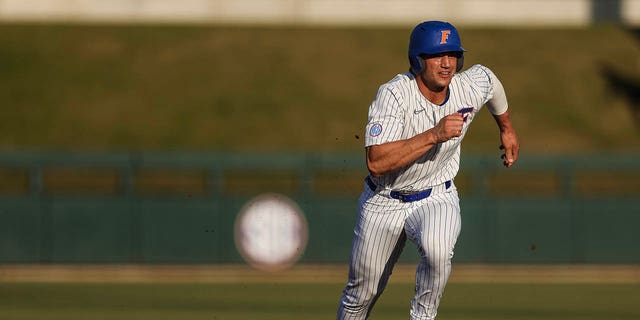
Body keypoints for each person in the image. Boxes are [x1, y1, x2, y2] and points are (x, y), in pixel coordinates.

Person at [336, 20, 520, 320]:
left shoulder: (468, 86)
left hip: (436, 195)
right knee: (361, 293)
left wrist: (507, 128)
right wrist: (434, 135)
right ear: (418, 59)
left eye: (453, 54)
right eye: (437, 55)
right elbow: (376, 162)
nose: (447, 63)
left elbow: (491, 81)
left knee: (438, 250)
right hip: (384, 198)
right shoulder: (394, 95)